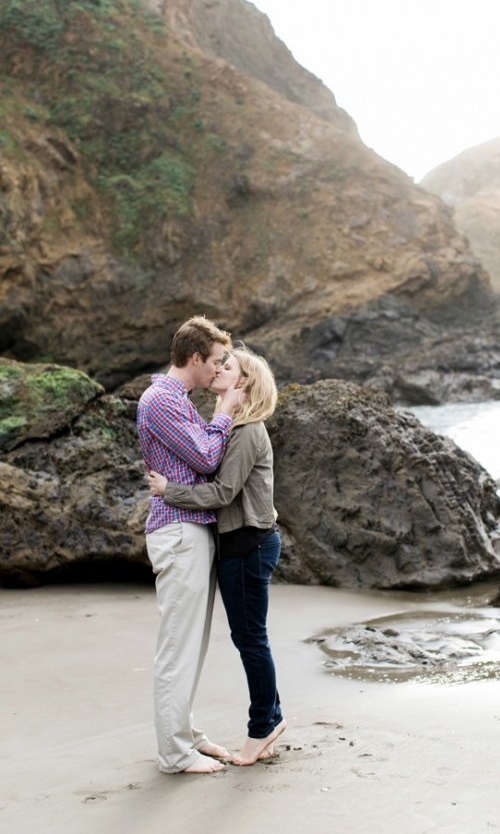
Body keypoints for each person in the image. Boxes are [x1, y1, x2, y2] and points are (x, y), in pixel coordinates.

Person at [148, 345, 286, 766]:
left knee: (250, 640)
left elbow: (223, 492)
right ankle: (271, 722)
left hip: (248, 544)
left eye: (230, 366)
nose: (221, 368)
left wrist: (168, 491)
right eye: (220, 362)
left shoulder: (246, 431)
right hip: (239, 544)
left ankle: (264, 726)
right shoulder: (230, 425)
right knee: (249, 638)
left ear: (243, 382)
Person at [137, 315, 245, 775]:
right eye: (216, 361)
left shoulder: (176, 400)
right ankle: (174, 754)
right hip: (178, 529)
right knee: (178, 648)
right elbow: (204, 456)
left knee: (191, 646)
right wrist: (224, 414)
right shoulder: (160, 399)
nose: (219, 369)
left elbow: (201, 453)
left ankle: (184, 734)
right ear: (196, 358)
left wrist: (213, 423)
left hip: (189, 527)